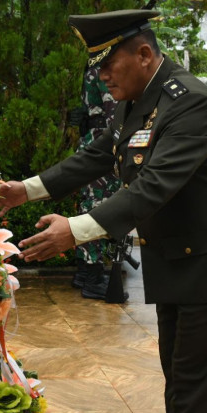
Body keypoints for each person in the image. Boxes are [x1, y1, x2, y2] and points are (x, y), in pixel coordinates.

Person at [0, 9, 207, 413]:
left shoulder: (190, 104)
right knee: (181, 379)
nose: (101, 77)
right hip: (178, 261)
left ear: (144, 54)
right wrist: (26, 189)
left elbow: (153, 188)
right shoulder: (139, 98)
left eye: (107, 65)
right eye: (96, 68)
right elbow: (97, 155)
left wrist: (75, 231)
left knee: (194, 384)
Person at [71, 62, 124, 300]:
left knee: (90, 205)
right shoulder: (106, 71)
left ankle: (84, 272)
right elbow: (116, 114)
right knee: (97, 209)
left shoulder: (95, 67)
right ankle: (93, 277)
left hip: (94, 141)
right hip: (103, 144)